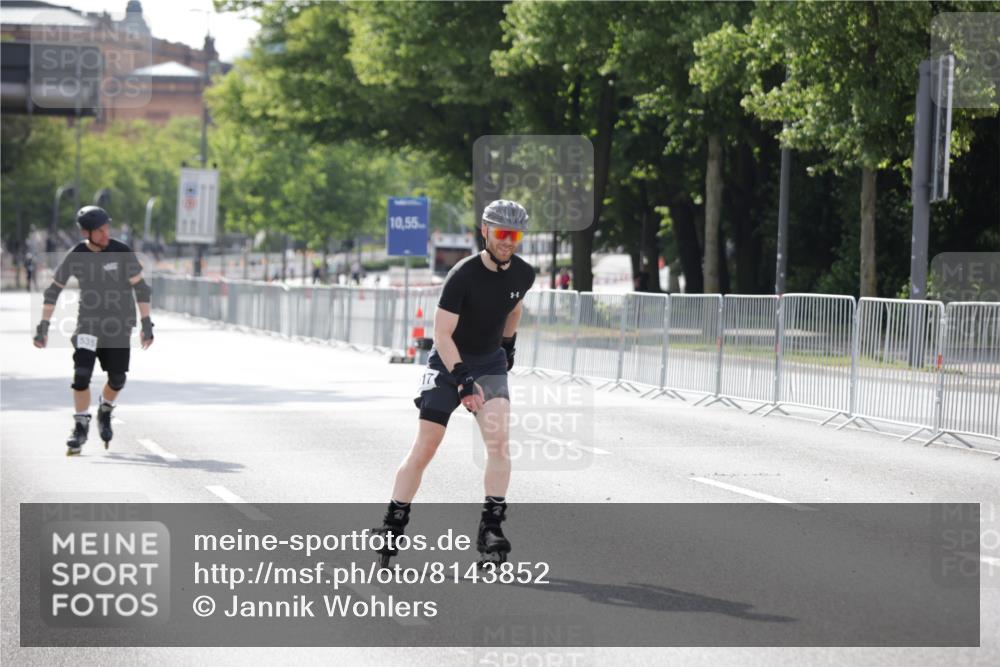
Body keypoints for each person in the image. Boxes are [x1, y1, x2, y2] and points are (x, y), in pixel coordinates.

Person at [374, 199, 535, 567]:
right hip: (449, 363)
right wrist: (462, 379)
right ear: (485, 231)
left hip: (489, 362)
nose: (508, 241)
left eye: (515, 235)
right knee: (427, 445)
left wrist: (508, 346)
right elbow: (441, 335)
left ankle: (491, 529)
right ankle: (393, 522)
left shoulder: (523, 274)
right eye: (501, 234)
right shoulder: (462, 275)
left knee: (498, 442)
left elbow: (514, 308)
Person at [32, 206, 155, 456]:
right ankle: (80, 426)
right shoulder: (76, 255)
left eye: (107, 228)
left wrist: (146, 323)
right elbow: (53, 291)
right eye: (100, 230)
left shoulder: (121, 251)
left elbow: (141, 289)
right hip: (88, 324)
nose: (106, 233)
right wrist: (43, 326)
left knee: (118, 378)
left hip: (119, 325)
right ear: (87, 232)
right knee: (81, 374)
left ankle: (105, 409)